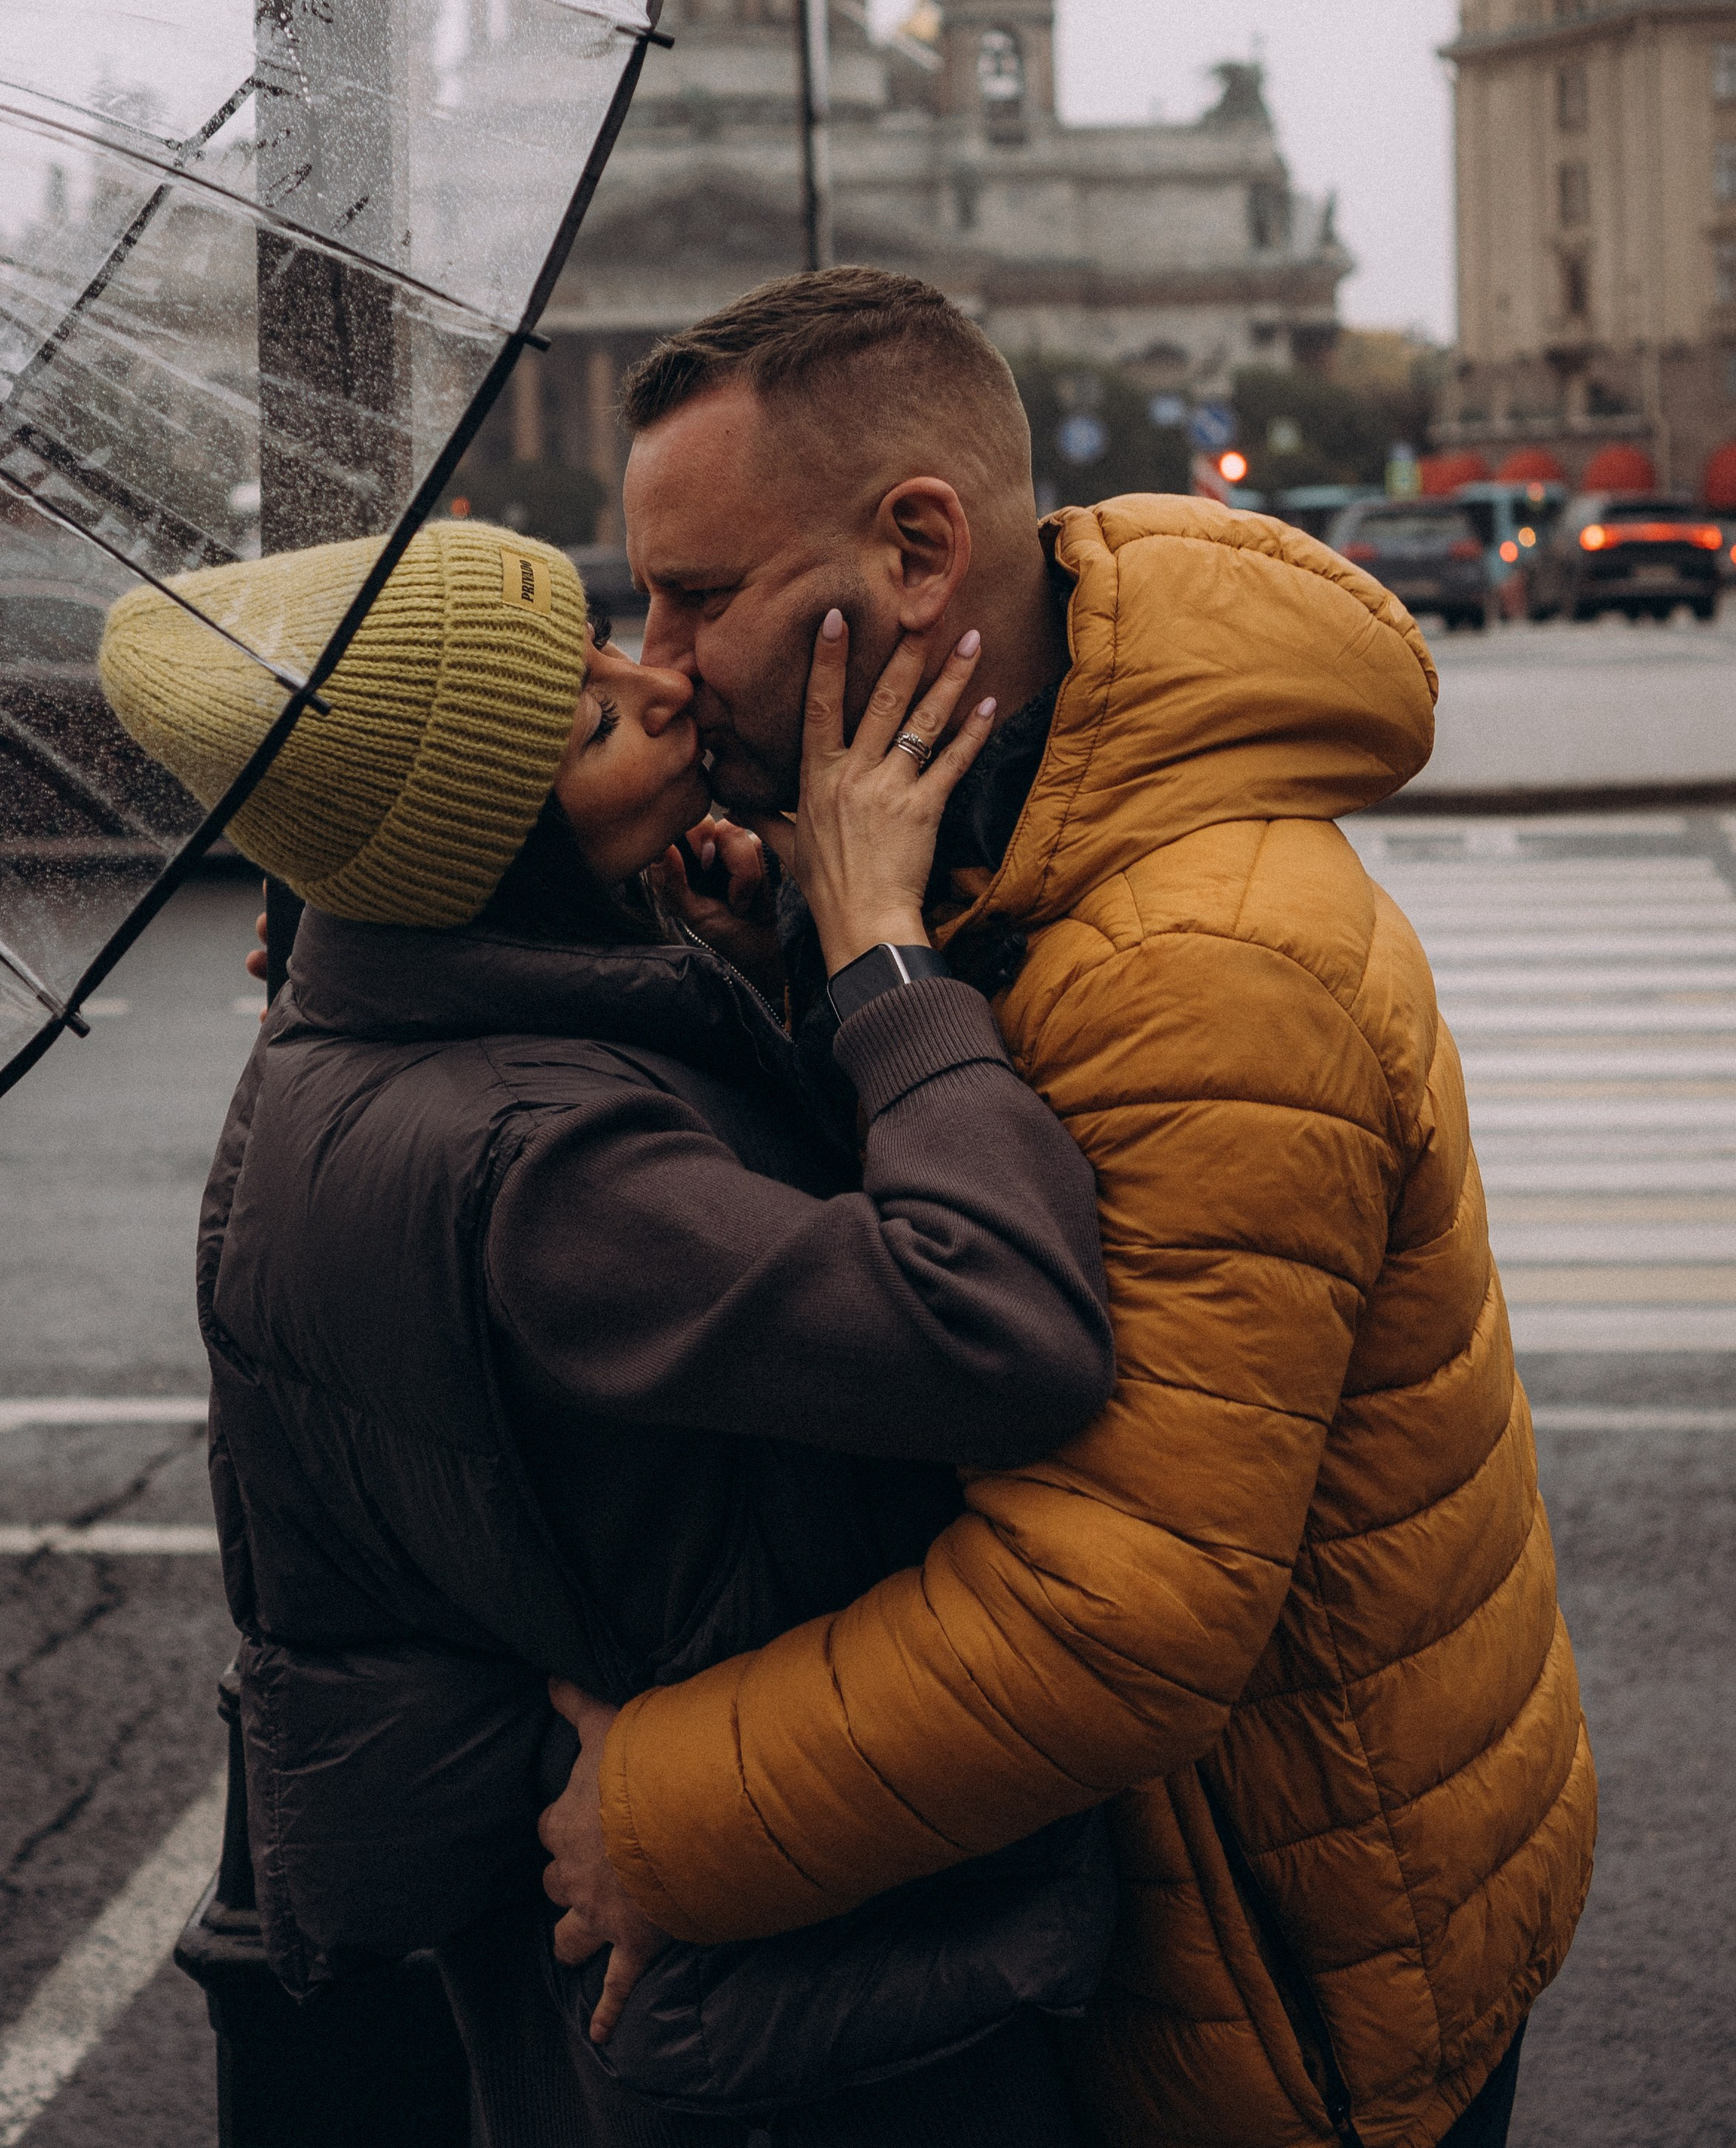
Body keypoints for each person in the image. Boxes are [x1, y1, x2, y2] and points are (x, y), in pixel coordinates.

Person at [535, 269, 1596, 2148]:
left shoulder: (1203, 961)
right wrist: (800, 958)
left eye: (700, 593)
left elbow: (1114, 1618)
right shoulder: (977, 844)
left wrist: (655, 1821)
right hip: (1195, 1890)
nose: (663, 659)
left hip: (1281, 1954)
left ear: (921, 550)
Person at [95, 516, 1120, 2147]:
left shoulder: (350, 1037)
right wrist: (880, 960)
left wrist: (725, 972)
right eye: (589, 726)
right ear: (486, 852)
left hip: (615, 1997)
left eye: (605, 651)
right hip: (784, 2030)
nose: (660, 688)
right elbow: (994, 1329)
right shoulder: (546, 1163)